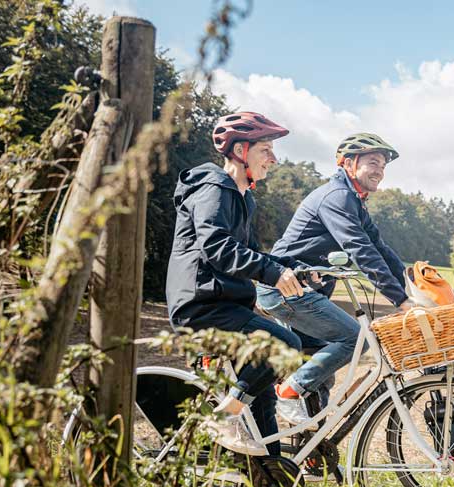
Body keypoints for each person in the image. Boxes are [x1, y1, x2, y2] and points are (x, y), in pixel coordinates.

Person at [165, 111, 310, 455]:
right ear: (241, 151)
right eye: (266, 150)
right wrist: (273, 274)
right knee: (284, 345)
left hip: (224, 303)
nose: (274, 160)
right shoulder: (214, 188)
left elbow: (247, 252)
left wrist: (294, 267)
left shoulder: (242, 198)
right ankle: (222, 418)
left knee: (261, 400)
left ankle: (271, 476)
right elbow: (218, 247)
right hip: (202, 305)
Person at [256, 133, 413, 425]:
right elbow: (361, 251)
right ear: (348, 164)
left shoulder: (354, 202)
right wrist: (401, 300)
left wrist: (412, 285)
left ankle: (312, 452)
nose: (380, 170)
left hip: (303, 291)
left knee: (319, 372)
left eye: (383, 165)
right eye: (373, 162)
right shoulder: (336, 197)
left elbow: (380, 248)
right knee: (354, 339)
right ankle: (288, 393)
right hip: (285, 288)